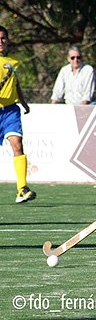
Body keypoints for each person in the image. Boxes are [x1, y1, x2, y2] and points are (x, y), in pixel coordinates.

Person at [0, 25, 36, 203]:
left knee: (17, 145)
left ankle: (22, 188)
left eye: (3, 38)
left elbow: (16, 85)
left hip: (10, 110)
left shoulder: (14, 61)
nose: (0, 42)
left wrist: (23, 103)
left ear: (7, 40)